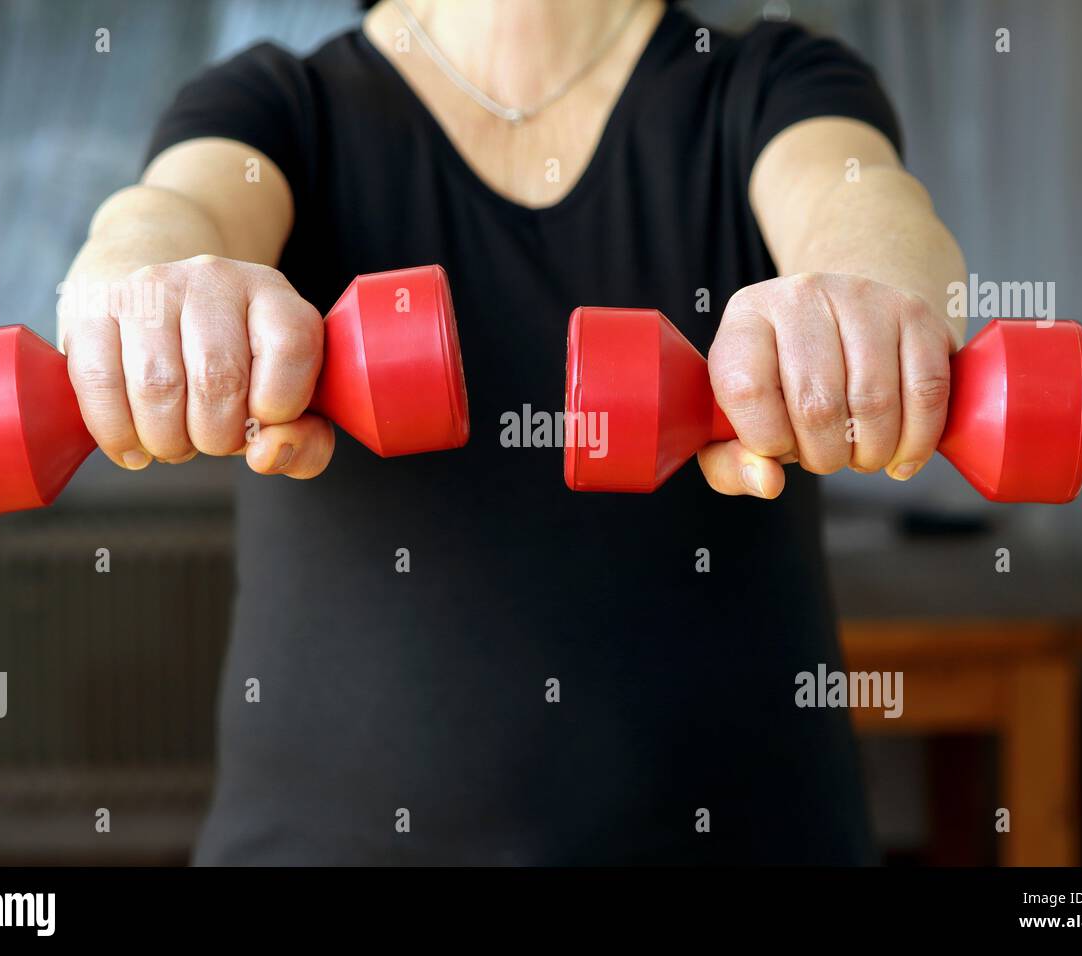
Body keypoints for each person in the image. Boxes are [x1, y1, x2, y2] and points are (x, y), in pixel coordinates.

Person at [58, 0, 966, 864]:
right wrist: (148, 278)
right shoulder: (273, 104)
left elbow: (865, 206)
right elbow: (171, 210)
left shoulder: (774, 80)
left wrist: (868, 291)